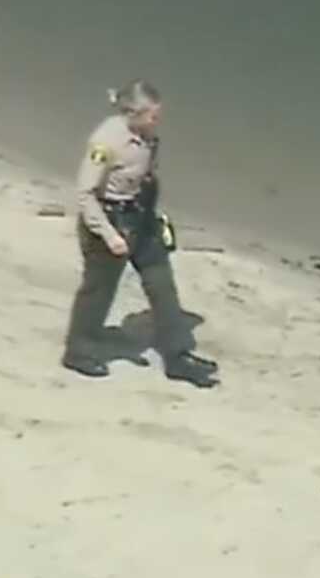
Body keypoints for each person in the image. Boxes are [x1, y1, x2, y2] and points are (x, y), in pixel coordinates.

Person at [61, 80, 218, 387]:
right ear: (134, 113)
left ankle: (177, 356)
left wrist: (154, 218)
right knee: (98, 290)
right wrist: (109, 235)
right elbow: (85, 195)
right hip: (108, 219)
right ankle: (78, 350)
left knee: (162, 285)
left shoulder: (147, 137)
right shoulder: (106, 142)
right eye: (152, 116)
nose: (157, 122)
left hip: (140, 218)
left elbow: (145, 177)